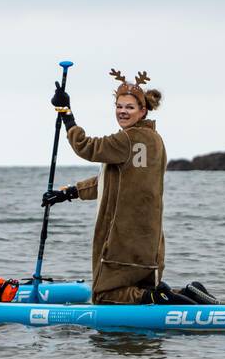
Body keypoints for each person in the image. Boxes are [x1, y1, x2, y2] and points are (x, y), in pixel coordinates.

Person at [43, 69, 211, 305]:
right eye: (119, 106)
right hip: (150, 244)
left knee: (103, 296)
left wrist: (66, 113)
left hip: (122, 243)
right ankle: (187, 292)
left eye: (130, 107)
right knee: (137, 290)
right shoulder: (155, 140)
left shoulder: (126, 139)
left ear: (143, 111)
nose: (123, 111)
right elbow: (113, 180)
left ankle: (154, 295)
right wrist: (69, 193)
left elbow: (85, 147)